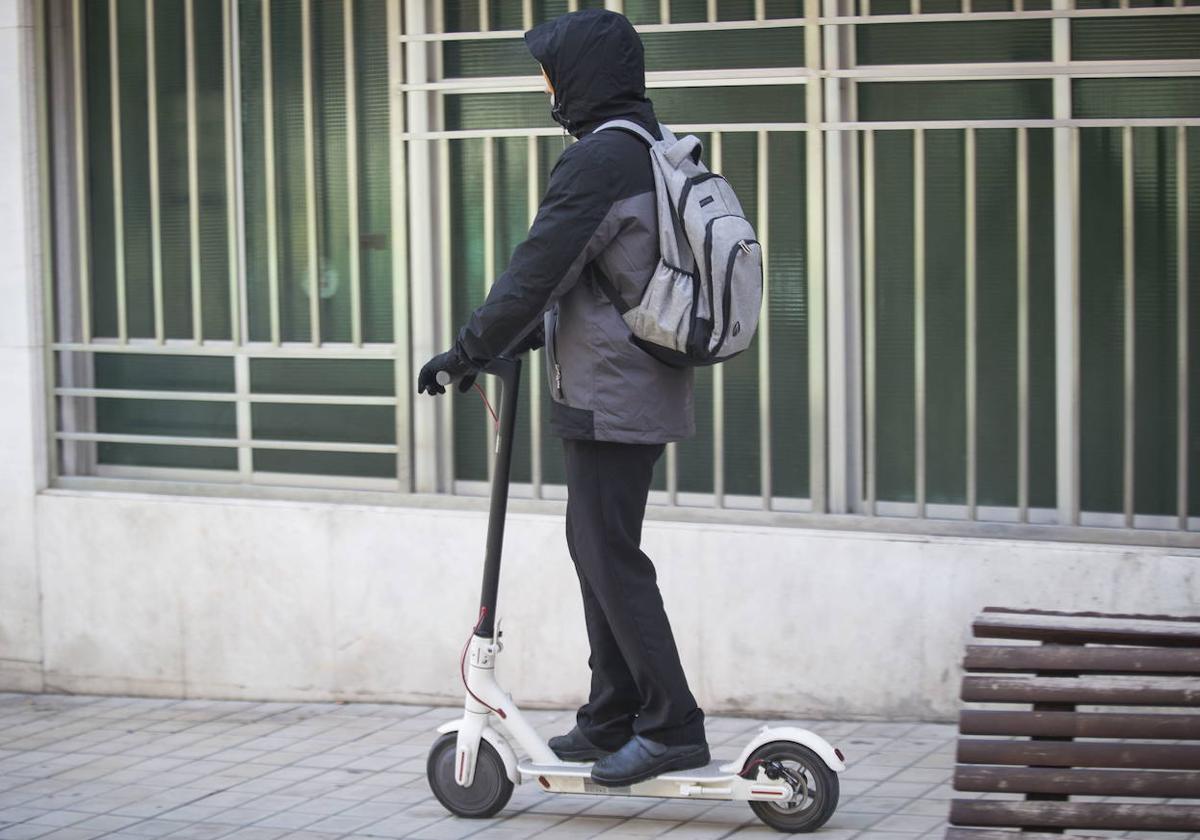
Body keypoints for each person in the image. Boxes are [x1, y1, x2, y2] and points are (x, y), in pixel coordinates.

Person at [416, 8, 708, 788]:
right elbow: (605, 272)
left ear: (580, 77)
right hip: (629, 382)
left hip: (613, 391)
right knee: (598, 550)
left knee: (607, 553)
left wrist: (470, 350)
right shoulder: (649, 146)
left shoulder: (600, 159)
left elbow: (540, 266)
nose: (546, 84)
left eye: (551, 70)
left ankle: (673, 724)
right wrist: (522, 338)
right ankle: (613, 715)